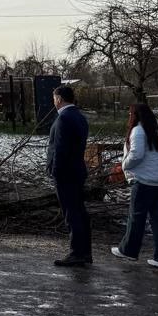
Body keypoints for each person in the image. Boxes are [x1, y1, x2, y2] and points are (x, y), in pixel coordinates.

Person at [111, 103, 158, 269]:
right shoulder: (157, 131)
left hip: (145, 181)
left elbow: (136, 154)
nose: (128, 116)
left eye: (129, 113)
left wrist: (124, 165)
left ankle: (128, 250)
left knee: (136, 217)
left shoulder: (138, 131)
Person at [48, 85, 91, 266]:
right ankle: (85, 252)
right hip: (77, 170)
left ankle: (77, 253)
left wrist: (55, 171)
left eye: (54, 99)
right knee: (80, 212)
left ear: (59, 99)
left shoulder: (63, 119)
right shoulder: (79, 117)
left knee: (71, 213)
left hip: (65, 173)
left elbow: (60, 149)